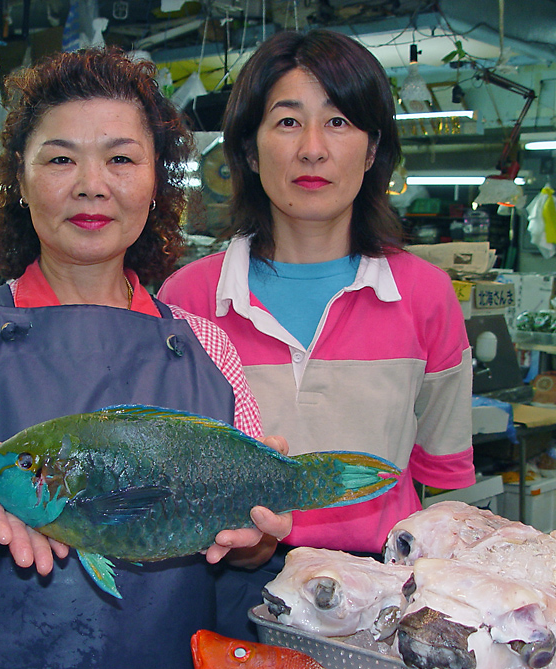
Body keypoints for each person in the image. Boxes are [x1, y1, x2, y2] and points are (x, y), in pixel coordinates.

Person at [0, 47, 280, 669]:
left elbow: (251, 544)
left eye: (121, 160)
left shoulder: (208, 352)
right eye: (60, 160)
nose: (92, 186)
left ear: (156, 184)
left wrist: (260, 535)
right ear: (19, 183)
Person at [159, 29, 475, 556]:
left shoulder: (425, 294)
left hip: (379, 590)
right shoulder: (189, 298)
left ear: (372, 149)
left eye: (338, 122)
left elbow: (442, 476)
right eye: (287, 122)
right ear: (251, 151)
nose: (312, 149)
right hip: (224, 579)